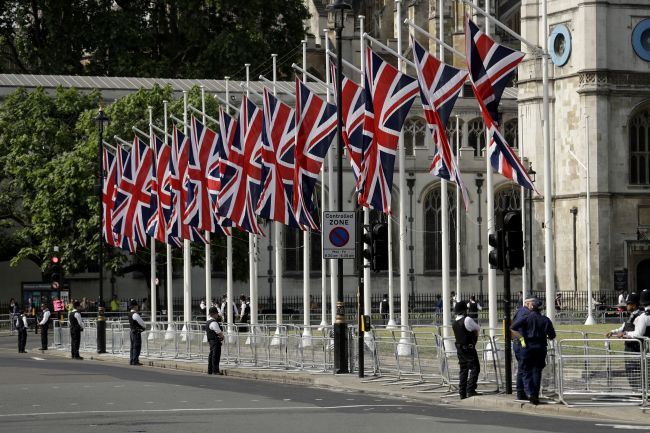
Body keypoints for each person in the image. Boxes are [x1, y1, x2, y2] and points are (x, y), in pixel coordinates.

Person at [510, 297, 556, 405]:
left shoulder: (526, 317)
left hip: (528, 347)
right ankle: (535, 394)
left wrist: (521, 338)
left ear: (532, 307)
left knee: (526, 371)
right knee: (537, 371)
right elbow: (552, 335)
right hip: (540, 347)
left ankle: (530, 393)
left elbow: (513, 327)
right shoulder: (546, 319)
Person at [606, 292, 646, 388]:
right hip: (628, 348)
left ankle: (639, 391)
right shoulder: (631, 315)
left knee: (635, 370)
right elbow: (623, 327)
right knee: (629, 370)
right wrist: (613, 332)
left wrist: (625, 334)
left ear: (634, 305)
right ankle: (635, 389)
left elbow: (638, 333)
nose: (627, 306)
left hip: (635, 348)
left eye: (628, 304)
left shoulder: (639, 317)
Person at [451, 301, 481, 399]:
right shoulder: (467, 319)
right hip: (469, 349)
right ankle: (471, 390)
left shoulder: (454, 322)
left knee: (463, 370)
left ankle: (462, 392)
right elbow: (477, 328)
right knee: (475, 368)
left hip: (460, 349)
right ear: (465, 310)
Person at [512, 297, 532, 400]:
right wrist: (522, 340)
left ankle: (521, 393)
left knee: (521, 368)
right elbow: (513, 327)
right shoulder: (525, 313)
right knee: (523, 369)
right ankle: (522, 393)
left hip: (518, 343)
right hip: (521, 344)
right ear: (528, 303)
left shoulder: (520, 310)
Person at [206, 306, 224, 375]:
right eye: (216, 313)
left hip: (211, 340)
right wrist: (222, 337)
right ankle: (215, 370)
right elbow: (219, 332)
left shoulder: (208, 322)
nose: (217, 315)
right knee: (216, 356)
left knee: (211, 355)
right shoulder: (214, 322)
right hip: (215, 341)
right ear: (213, 314)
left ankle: (210, 370)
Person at [128, 299, 146, 365]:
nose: (138, 307)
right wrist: (144, 327)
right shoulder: (135, 314)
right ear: (135, 306)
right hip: (136, 332)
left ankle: (131, 360)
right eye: (137, 306)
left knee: (132, 347)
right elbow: (142, 323)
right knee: (137, 346)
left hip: (131, 331)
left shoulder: (130, 313)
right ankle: (135, 361)